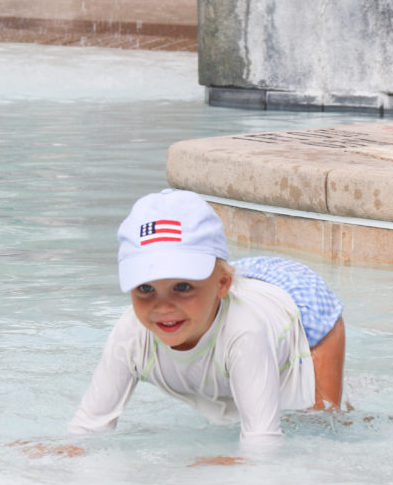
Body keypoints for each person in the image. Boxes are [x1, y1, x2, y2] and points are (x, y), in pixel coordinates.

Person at [66, 189, 346, 458]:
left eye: (182, 286)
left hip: (303, 310)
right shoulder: (131, 333)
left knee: (320, 427)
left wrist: (230, 464)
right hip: (238, 295)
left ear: (222, 283)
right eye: (146, 288)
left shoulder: (244, 332)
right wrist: (65, 454)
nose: (163, 307)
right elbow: (88, 427)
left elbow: (263, 442)